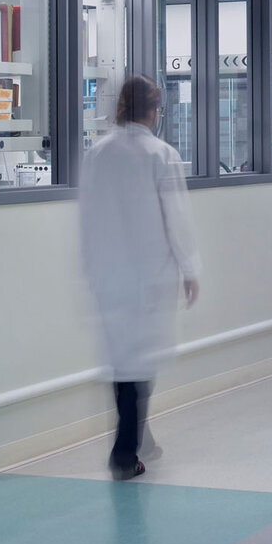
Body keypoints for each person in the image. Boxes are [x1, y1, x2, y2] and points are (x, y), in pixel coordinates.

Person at [78, 76, 201, 480]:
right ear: (153, 109)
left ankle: (139, 439)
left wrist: (90, 267)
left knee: (123, 364)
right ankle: (125, 453)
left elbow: (87, 215)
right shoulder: (160, 154)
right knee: (138, 368)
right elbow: (178, 219)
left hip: (110, 276)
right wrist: (190, 269)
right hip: (150, 276)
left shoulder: (97, 154)